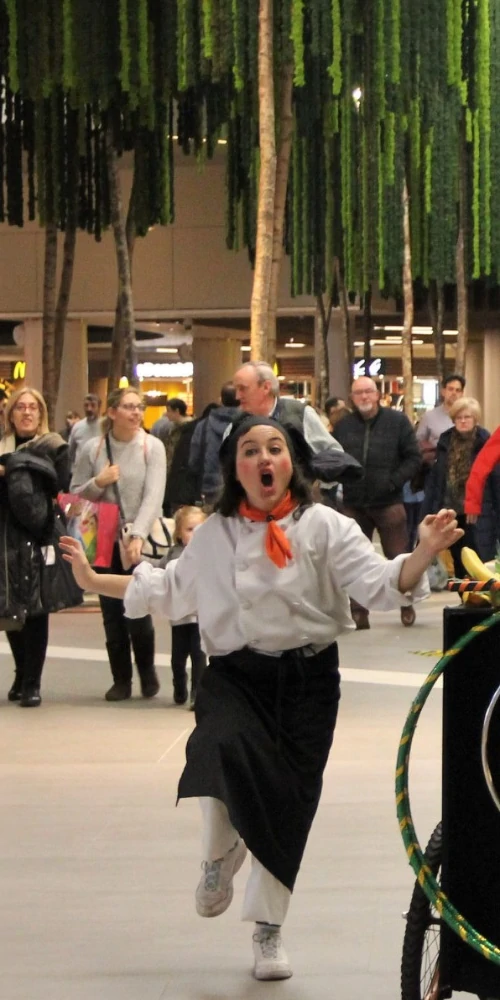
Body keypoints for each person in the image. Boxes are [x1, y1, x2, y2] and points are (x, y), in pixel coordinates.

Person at [60, 415, 462, 982]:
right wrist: (91, 579)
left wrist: (423, 551)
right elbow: (169, 589)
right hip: (235, 675)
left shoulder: (325, 526)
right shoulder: (215, 534)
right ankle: (218, 855)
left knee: (286, 807)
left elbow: (379, 583)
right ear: (236, 469)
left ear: (292, 463)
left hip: (308, 682)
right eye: (250, 450)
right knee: (217, 750)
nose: (264, 458)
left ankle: (268, 930)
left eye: (275, 448)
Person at [70, 387, 166, 701]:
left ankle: (148, 673)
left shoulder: (152, 446)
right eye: (129, 407)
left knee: (139, 608)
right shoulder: (92, 448)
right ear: (112, 412)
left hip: (138, 539)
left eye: (140, 407)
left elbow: (154, 496)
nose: (136, 413)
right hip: (102, 537)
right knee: (111, 612)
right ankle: (121, 679)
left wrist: (138, 534)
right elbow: (75, 496)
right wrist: (99, 482)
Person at [1, 387, 78, 707]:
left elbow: (62, 486)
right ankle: (21, 673)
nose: (27, 412)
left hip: (39, 535)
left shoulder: (54, 446)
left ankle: (32, 682)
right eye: (20, 407)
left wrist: (14, 468)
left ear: (41, 413)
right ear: (11, 414)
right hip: (5, 538)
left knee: (36, 609)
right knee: (10, 608)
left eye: (33, 407)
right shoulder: (2, 445)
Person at [334, 376, 422, 629]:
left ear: (377, 395)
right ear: (352, 398)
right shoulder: (343, 426)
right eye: (358, 393)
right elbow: (334, 457)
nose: (364, 397)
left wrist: (394, 482)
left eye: (368, 391)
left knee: (399, 557)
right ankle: (358, 611)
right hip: (353, 503)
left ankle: (406, 603)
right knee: (354, 558)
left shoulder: (397, 422)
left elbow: (414, 458)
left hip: (388, 501)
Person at [422, 397, 500, 577]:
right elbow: (436, 480)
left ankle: (479, 592)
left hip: (478, 511)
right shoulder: (445, 442)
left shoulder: (484, 440)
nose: (463, 421)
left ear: (475, 419)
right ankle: (462, 590)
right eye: (459, 417)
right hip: (451, 510)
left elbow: (492, 480)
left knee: (480, 557)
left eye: (467, 417)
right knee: (457, 558)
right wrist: (429, 511)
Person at [233, 361, 344, 454]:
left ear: (266, 387)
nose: (237, 396)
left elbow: (335, 455)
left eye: (243, 389)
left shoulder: (300, 414)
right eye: (236, 390)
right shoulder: (237, 423)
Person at [161, 506, 207, 708]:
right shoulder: (173, 554)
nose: (195, 534)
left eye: (200, 529)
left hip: (200, 616)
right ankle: (179, 686)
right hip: (179, 617)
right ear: (179, 533)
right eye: (189, 529)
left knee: (199, 656)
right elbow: (160, 571)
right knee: (178, 658)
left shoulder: (208, 552)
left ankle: (198, 693)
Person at [188, 382, 239, 503]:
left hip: (209, 489)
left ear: (220, 400)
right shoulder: (248, 423)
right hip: (240, 489)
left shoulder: (203, 425)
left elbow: (194, 460)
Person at [416, 373, 466, 465]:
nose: (454, 393)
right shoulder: (429, 416)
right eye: (450, 389)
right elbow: (418, 443)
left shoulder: (467, 417)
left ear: (462, 394)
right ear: (443, 392)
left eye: (458, 390)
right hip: (435, 465)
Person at [68, 394, 102, 467]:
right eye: (86, 405)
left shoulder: (105, 426)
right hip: (80, 469)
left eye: (93, 405)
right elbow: (70, 453)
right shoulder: (77, 427)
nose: (89, 409)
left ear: (99, 407)